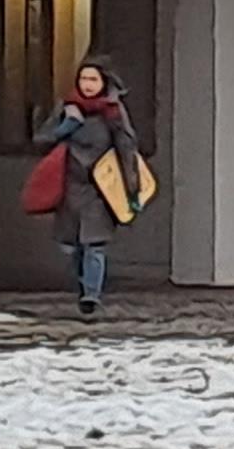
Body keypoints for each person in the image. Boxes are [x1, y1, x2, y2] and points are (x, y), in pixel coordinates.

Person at [30, 60, 150, 319]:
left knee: (95, 245)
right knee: (72, 246)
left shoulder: (112, 111)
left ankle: (91, 296)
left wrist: (132, 188)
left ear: (103, 82)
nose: (87, 85)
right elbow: (41, 140)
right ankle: (83, 285)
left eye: (93, 80)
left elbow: (126, 147)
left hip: (101, 188)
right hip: (71, 186)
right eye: (83, 79)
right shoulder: (68, 108)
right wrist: (65, 128)